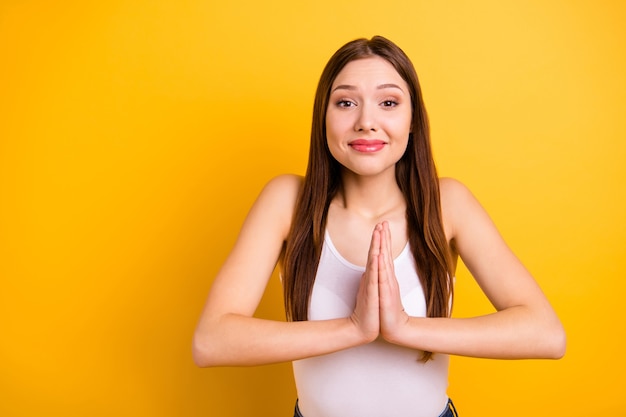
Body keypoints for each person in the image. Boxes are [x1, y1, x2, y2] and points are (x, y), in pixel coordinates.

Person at [192, 36, 566, 417]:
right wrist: (353, 328)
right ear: (323, 116)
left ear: (413, 119)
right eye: (345, 102)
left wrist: (404, 328)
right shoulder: (288, 201)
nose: (366, 122)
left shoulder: (446, 203)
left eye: (388, 103)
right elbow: (212, 341)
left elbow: (546, 334)